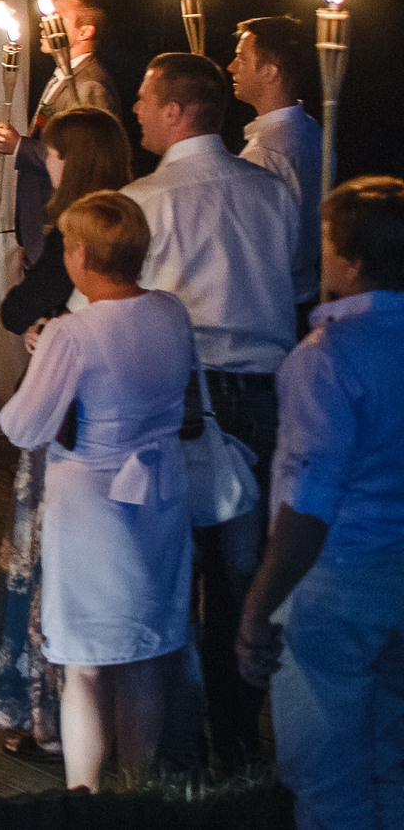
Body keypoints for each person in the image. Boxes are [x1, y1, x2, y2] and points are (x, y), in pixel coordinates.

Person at [117, 51, 301, 769]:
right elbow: (294, 277)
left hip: (185, 395)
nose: (135, 109)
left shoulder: (146, 199)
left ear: (175, 110)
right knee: (243, 576)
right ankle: (237, 733)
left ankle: (179, 743)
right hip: (263, 392)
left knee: (172, 572)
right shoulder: (271, 191)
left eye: (144, 97)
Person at [0, 191, 195, 793]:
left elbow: (24, 426)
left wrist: (44, 359)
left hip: (92, 506)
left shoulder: (72, 332)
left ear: (81, 254)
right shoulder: (171, 311)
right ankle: (136, 797)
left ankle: (85, 800)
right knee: (141, 660)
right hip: (160, 498)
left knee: (84, 665)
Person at [237, 176, 404, 830]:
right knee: (393, 761)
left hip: (336, 578)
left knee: (327, 777)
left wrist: (259, 605)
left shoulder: (328, 355)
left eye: (328, 240)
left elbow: (310, 503)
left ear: (352, 261)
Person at [0, 104, 135, 758]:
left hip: (73, 445)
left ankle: (54, 719)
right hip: (137, 460)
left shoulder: (80, 246)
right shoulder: (154, 293)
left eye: (54, 155)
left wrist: (44, 331)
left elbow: (18, 313)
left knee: (56, 581)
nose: (47, 162)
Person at [0, 0, 120, 266]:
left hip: (62, 224)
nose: (44, 23)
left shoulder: (89, 84)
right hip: (39, 222)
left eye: (58, 17)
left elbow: (83, 160)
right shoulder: (59, 76)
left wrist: (20, 146)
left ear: (85, 31)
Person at [232, 14, 328, 327]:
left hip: (276, 305)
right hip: (307, 292)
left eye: (241, 59)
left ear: (271, 72)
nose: (231, 67)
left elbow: (257, 245)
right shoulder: (311, 128)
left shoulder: (267, 152)